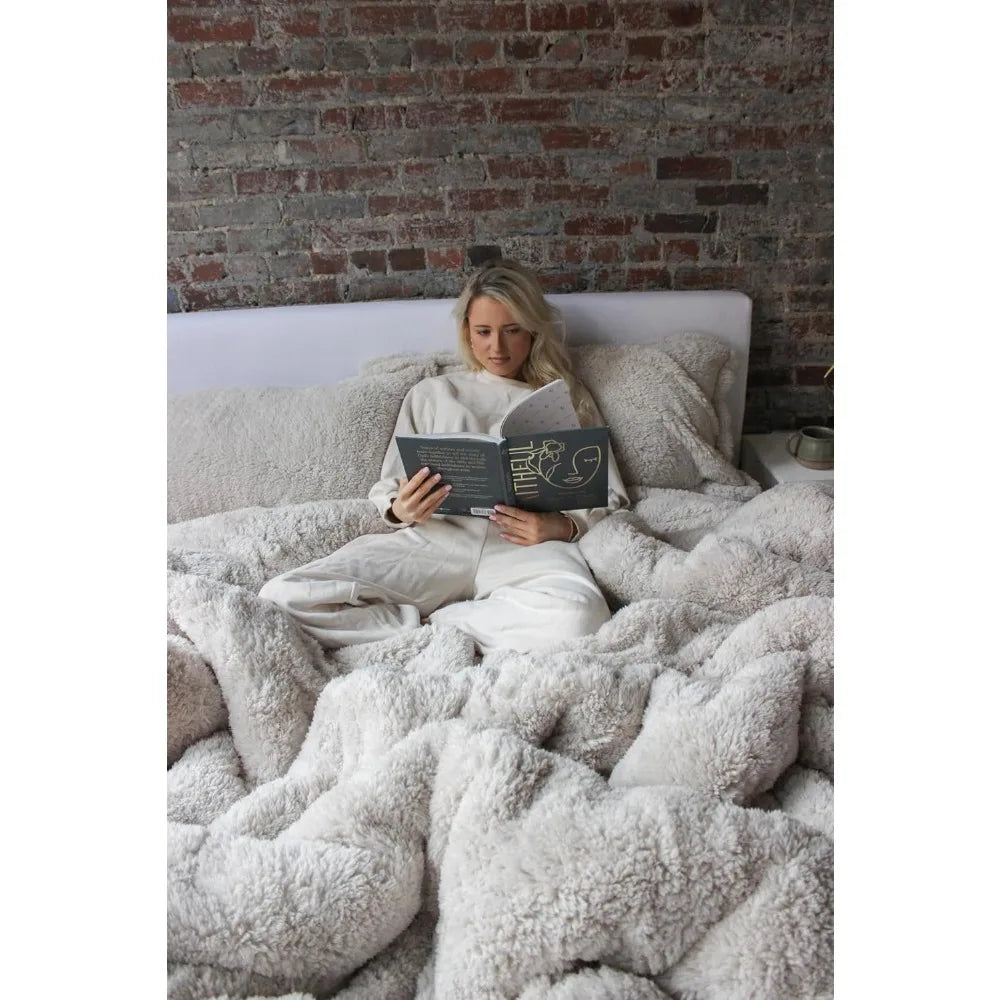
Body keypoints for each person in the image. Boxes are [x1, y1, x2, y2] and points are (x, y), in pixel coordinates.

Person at [259, 259, 629, 653]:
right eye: (483, 332)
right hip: (436, 540)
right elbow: (390, 483)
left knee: (582, 618)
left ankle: (442, 626)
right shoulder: (433, 393)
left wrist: (561, 527)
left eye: (512, 330)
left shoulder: (566, 397)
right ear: (467, 332)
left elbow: (610, 494)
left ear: (533, 331)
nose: (497, 347)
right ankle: (435, 628)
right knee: (284, 595)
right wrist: (401, 508)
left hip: (528, 548)